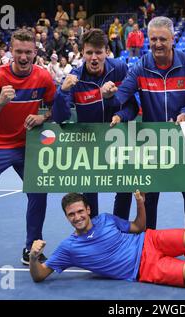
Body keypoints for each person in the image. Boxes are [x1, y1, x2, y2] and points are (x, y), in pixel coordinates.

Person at [29, 191, 185, 285]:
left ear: (88, 210)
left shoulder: (106, 219)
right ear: (67, 217)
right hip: (144, 269)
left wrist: (140, 203)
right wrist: (33, 258)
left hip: (149, 241)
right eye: (71, 215)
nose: (76, 217)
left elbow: (139, 227)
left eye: (79, 211)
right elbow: (40, 275)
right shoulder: (68, 248)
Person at [101, 16, 185, 245]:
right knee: (149, 199)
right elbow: (122, 96)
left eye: (162, 39)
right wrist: (110, 96)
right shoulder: (140, 66)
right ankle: (149, 247)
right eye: (153, 39)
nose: (157, 44)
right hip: (153, 143)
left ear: (172, 39)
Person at [0, 29, 56, 273]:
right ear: (10, 52)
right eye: (19, 52)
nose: (24, 57)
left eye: (28, 52)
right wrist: (1, 102)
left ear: (35, 52)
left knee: (38, 193)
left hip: (27, 144)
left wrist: (42, 115)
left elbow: (54, 108)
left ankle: (31, 248)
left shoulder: (44, 77)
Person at [52, 28, 138, 220]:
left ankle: (119, 229)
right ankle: (94, 234)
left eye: (98, 52)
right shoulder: (74, 77)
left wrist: (121, 115)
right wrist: (63, 92)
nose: (94, 57)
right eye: (89, 52)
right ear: (82, 52)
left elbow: (133, 107)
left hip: (118, 139)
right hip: (88, 142)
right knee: (90, 192)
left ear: (106, 52)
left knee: (124, 188)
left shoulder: (120, 69)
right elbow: (59, 117)